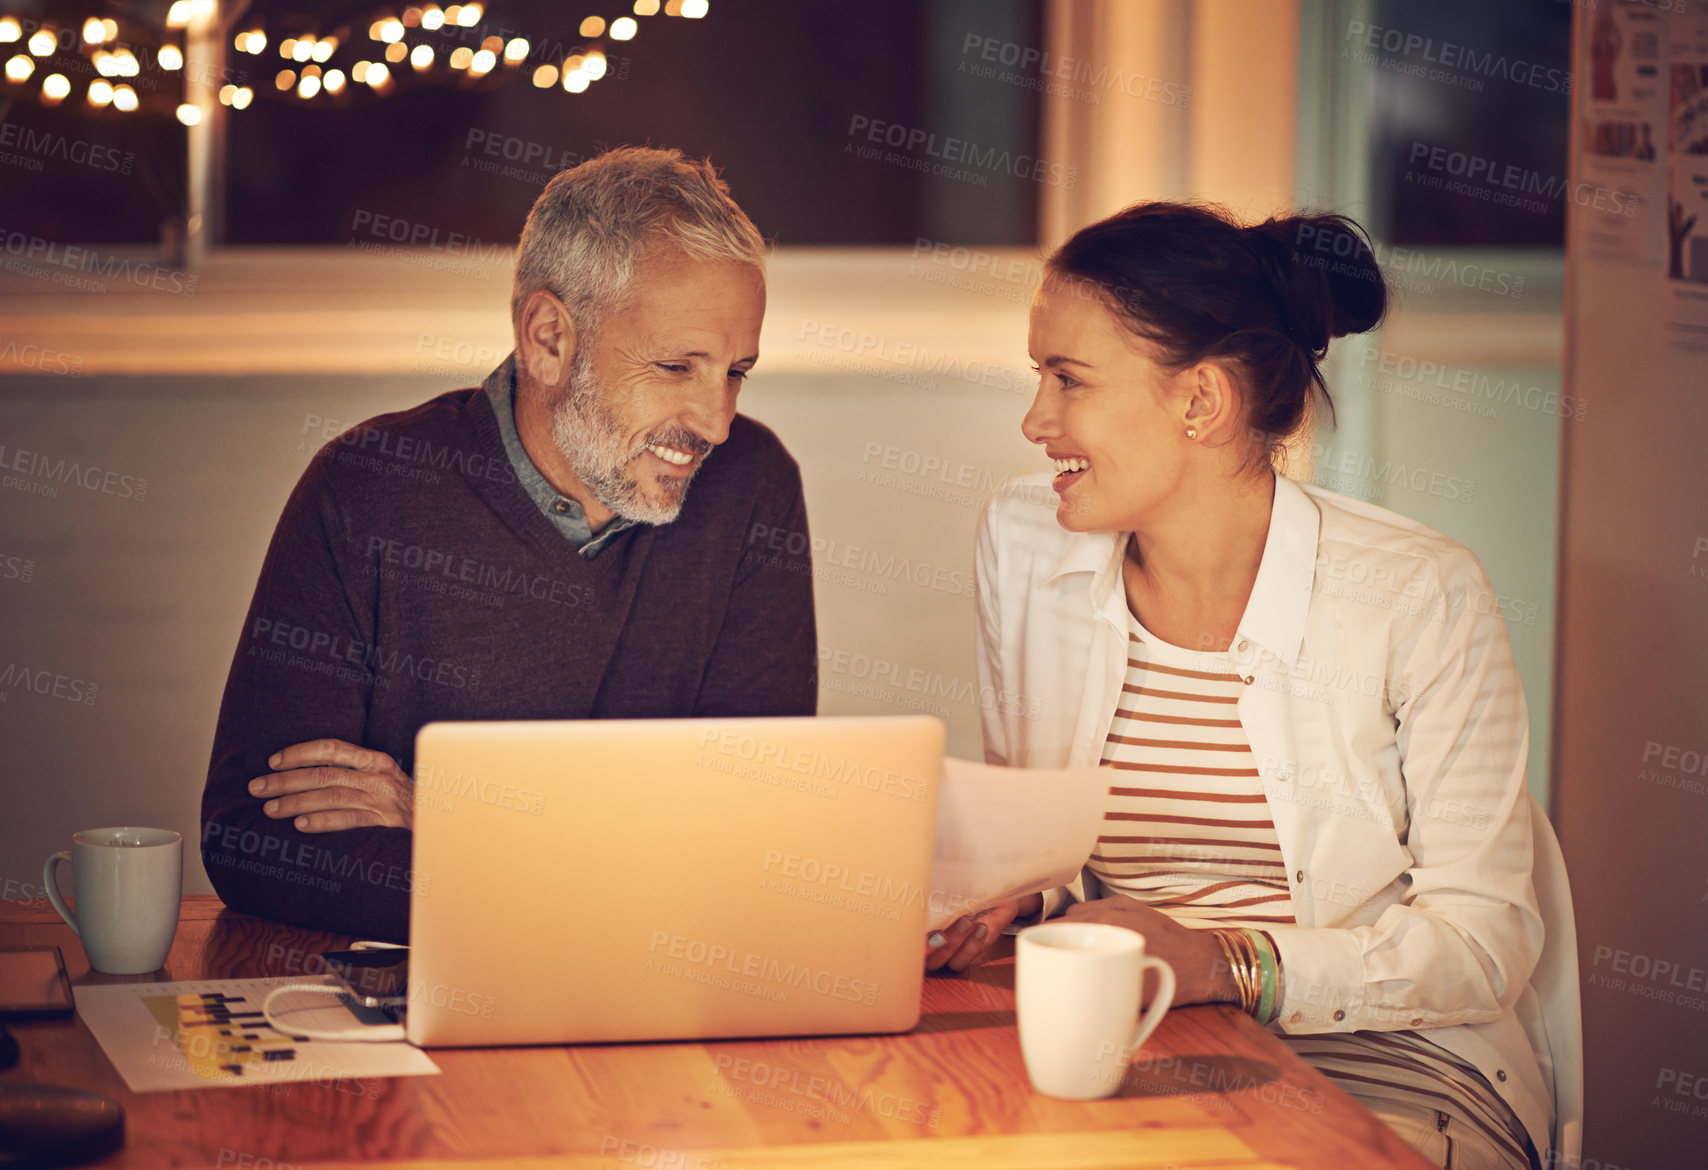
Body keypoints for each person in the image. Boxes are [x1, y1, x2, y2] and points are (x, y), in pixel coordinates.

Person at [928, 202, 1549, 1170]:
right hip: (1130, 1035)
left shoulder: (1419, 594)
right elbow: (1049, 845)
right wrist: (1011, 899)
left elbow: (1482, 946)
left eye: (1067, 380)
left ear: (1200, 402)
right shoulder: (1021, 544)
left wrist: (1226, 964)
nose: (1034, 420)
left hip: (1389, 1062)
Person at [201, 148, 817, 943]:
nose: (716, 421)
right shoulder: (364, 491)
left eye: (737, 372)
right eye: (676, 366)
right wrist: (623, 871)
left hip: (660, 1002)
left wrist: (447, 818)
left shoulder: (753, 486)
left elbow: (752, 832)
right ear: (549, 337)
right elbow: (259, 843)